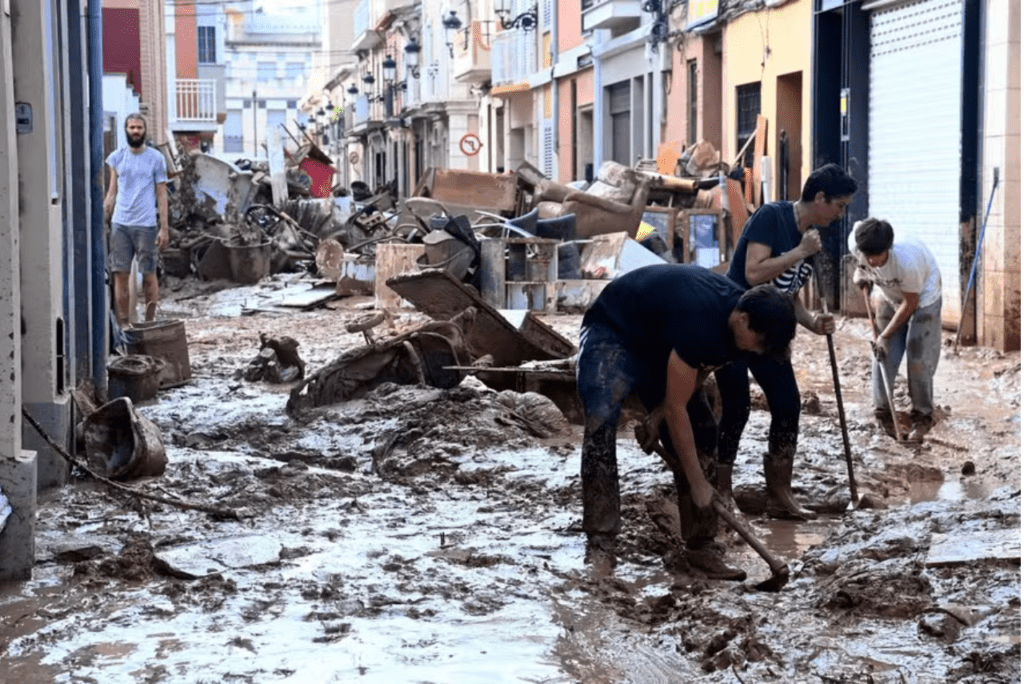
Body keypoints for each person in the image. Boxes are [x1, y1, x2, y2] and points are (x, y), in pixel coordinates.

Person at [577, 264, 797, 579]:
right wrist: (697, 483)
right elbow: (678, 406)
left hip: (664, 343)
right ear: (742, 320)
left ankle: (701, 546)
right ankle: (600, 541)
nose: (761, 351)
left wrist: (658, 415)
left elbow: (702, 368)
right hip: (614, 330)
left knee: (704, 430)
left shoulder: (744, 327)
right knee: (600, 416)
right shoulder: (703, 321)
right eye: (761, 343)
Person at [716, 163, 859, 520]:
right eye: (839, 205)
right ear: (821, 198)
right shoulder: (772, 217)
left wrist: (812, 322)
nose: (841, 214)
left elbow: (788, 291)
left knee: (788, 403)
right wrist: (800, 252)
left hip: (773, 331)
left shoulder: (811, 236)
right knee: (737, 407)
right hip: (739, 324)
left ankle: (780, 491)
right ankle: (721, 489)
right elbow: (754, 272)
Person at [848, 218, 942, 442]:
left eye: (877, 256)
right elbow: (860, 262)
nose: (872, 260)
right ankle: (883, 414)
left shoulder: (907, 262)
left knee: (918, 357)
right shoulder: (858, 244)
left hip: (923, 299)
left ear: (888, 249)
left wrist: (884, 334)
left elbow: (910, 304)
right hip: (889, 295)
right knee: (882, 355)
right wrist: (860, 273)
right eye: (867, 256)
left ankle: (922, 416)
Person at [103, 113, 169, 328]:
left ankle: (149, 323)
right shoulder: (117, 158)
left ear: (145, 130)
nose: (135, 131)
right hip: (120, 224)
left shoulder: (156, 159)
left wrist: (164, 229)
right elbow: (111, 191)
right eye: (132, 127)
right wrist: (105, 213)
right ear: (126, 130)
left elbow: (161, 194)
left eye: (139, 127)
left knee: (149, 275)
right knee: (120, 275)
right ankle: (124, 325)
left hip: (147, 225)